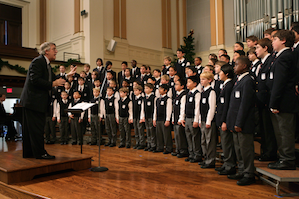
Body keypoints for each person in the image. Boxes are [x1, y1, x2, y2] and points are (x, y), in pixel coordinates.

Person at [20, 42, 76, 159]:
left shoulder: (46, 64)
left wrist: (67, 75)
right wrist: (52, 84)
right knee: (36, 129)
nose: (56, 51)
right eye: (54, 49)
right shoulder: (38, 61)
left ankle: (30, 153)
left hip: (34, 102)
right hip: (33, 102)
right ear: (46, 51)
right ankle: (40, 153)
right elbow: (35, 79)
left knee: (33, 129)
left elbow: (53, 78)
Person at [267, 30, 298, 170]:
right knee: (280, 131)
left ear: (283, 40)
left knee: (285, 132)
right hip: (280, 100)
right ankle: (283, 158)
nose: (272, 42)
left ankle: (287, 160)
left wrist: (274, 102)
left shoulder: (285, 56)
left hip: (283, 101)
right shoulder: (280, 56)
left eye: (275, 39)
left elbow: (280, 82)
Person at [226, 56, 256, 186]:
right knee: (238, 149)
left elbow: (245, 105)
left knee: (246, 150)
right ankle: (242, 170)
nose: (234, 67)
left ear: (244, 66)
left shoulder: (248, 81)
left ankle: (249, 174)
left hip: (244, 123)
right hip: (236, 122)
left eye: (236, 64)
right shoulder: (239, 80)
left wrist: (239, 123)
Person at [255, 38, 277, 161]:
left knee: (268, 129)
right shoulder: (262, 63)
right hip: (261, 101)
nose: (256, 50)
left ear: (265, 48)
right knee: (263, 129)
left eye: (258, 47)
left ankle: (270, 153)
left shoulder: (270, 61)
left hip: (267, 100)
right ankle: (265, 151)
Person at [215, 64, 236, 175]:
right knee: (224, 143)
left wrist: (224, 121)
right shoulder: (224, 85)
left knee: (227, 143)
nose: (219, 73)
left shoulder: (229, 86)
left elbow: (227, 105)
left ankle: (230, 165)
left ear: (226, 73)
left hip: (225, 119)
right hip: (221, 118)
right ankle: (226, 163)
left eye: (221, 72)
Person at [181, 76, 202, 163]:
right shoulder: (188, 94)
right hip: (187, 118)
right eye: (187, 82)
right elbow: (184, 107)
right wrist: (183, 117)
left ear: (195, 83)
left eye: (189, 82)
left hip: (193, 118)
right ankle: (191, 154)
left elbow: (197, 108)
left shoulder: (197, 93)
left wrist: (196, 120)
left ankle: (197, 155)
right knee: (188, 137)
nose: (187, 84)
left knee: (195, 137)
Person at [153, 84, 173, 154]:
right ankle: (159, 147)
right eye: (159, 89)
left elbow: (169, 109)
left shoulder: (168, 99)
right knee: (159, 134)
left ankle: (168, 148)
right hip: (158, 119)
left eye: (161, 89)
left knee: (166, 134)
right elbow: (155, 109)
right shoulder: (158, 99)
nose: (159, 90)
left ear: (165, 90)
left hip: (164, 119)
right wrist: (154, 119)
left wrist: (168, 119)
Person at [172, 79, 188, 158]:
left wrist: (180, 118)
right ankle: (178, 149)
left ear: (182, 86)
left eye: (177, 84)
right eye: (175, 84)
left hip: (179, 119)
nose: (175, 86)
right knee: (176, 136)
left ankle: (183, 150)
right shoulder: (177, 95)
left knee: (180, 136)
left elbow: (183, 108)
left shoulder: (184, 95)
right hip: (175, 118)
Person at [140, 83, 156, 151]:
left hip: (151, 117)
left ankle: (153, 145)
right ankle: (149, 144)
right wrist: (142, 116)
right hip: (146, 116)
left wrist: (154, 118)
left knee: (152, 131)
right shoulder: (144, 98)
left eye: (147, 88)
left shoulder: (154, 97)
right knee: (148, 131)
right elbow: (142, 108)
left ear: (151, 89)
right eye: (145, 88)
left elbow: (155, 108)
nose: (145, 90)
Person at [132, 85, 145, 149]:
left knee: (140, 131)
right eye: (134, 90)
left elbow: (142, 109)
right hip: (135, 117)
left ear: (140, 91)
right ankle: (137, 142)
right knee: (136, 130)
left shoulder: (142, 98)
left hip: (139, 117)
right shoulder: (134, 98)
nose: (135, 92)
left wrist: (141, 117)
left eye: (136, 90)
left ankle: (142, 143)